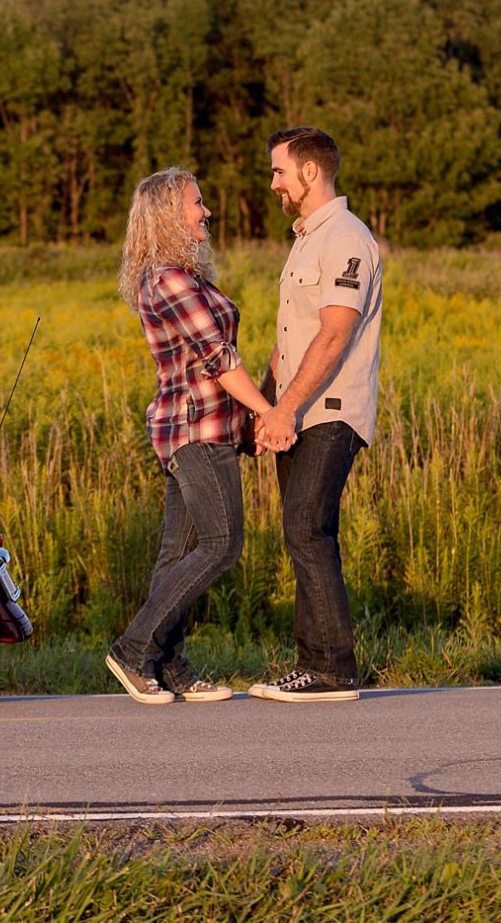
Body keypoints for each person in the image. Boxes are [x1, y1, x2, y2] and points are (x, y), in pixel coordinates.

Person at [106, 168, 277, 704]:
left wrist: (245, 420)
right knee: (221, 543)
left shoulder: (183, 276)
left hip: (201, 427)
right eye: (196, 204)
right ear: (167, 216)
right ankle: (134, 649)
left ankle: (166, 663)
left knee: (175, 553)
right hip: (194, 429)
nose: (206, 211)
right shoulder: (169, 280)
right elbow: (218, 358)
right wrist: (269, 412)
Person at [249, 127, 383, 703]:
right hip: (298, 410)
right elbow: (292, 339)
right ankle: (315, 665)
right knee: (302, 531)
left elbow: (333, 334)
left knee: (309, 529)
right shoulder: (306, 240)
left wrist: (288, 406)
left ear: (310, 172)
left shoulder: (346, 238)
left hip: (329, 410)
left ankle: (331, 668)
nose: (273, 182)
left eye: (279, 171)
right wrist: (263, 406)